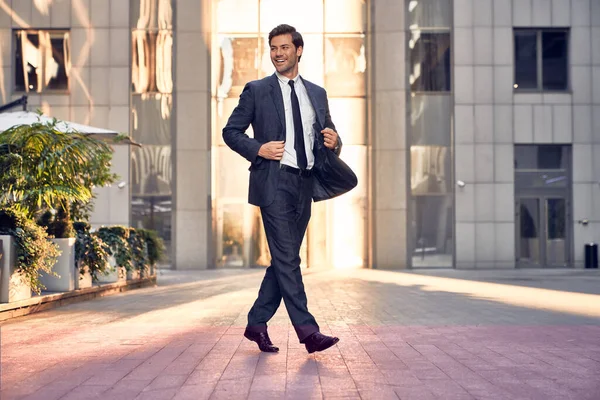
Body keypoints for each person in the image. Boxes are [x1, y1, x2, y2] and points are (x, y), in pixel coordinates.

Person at [222, 24, 341, 354]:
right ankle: (308, 331)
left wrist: (335, 141)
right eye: (273, 48)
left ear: (298, 50)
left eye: (284, 47)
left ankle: (256, 323)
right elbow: (231, 132)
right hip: (273, 183)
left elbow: (329, 134)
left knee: (283, 259)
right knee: (288, 258)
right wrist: (258, 149)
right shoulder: (257, 90)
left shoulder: (316, 93)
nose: (277, 53)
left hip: (305, 184)